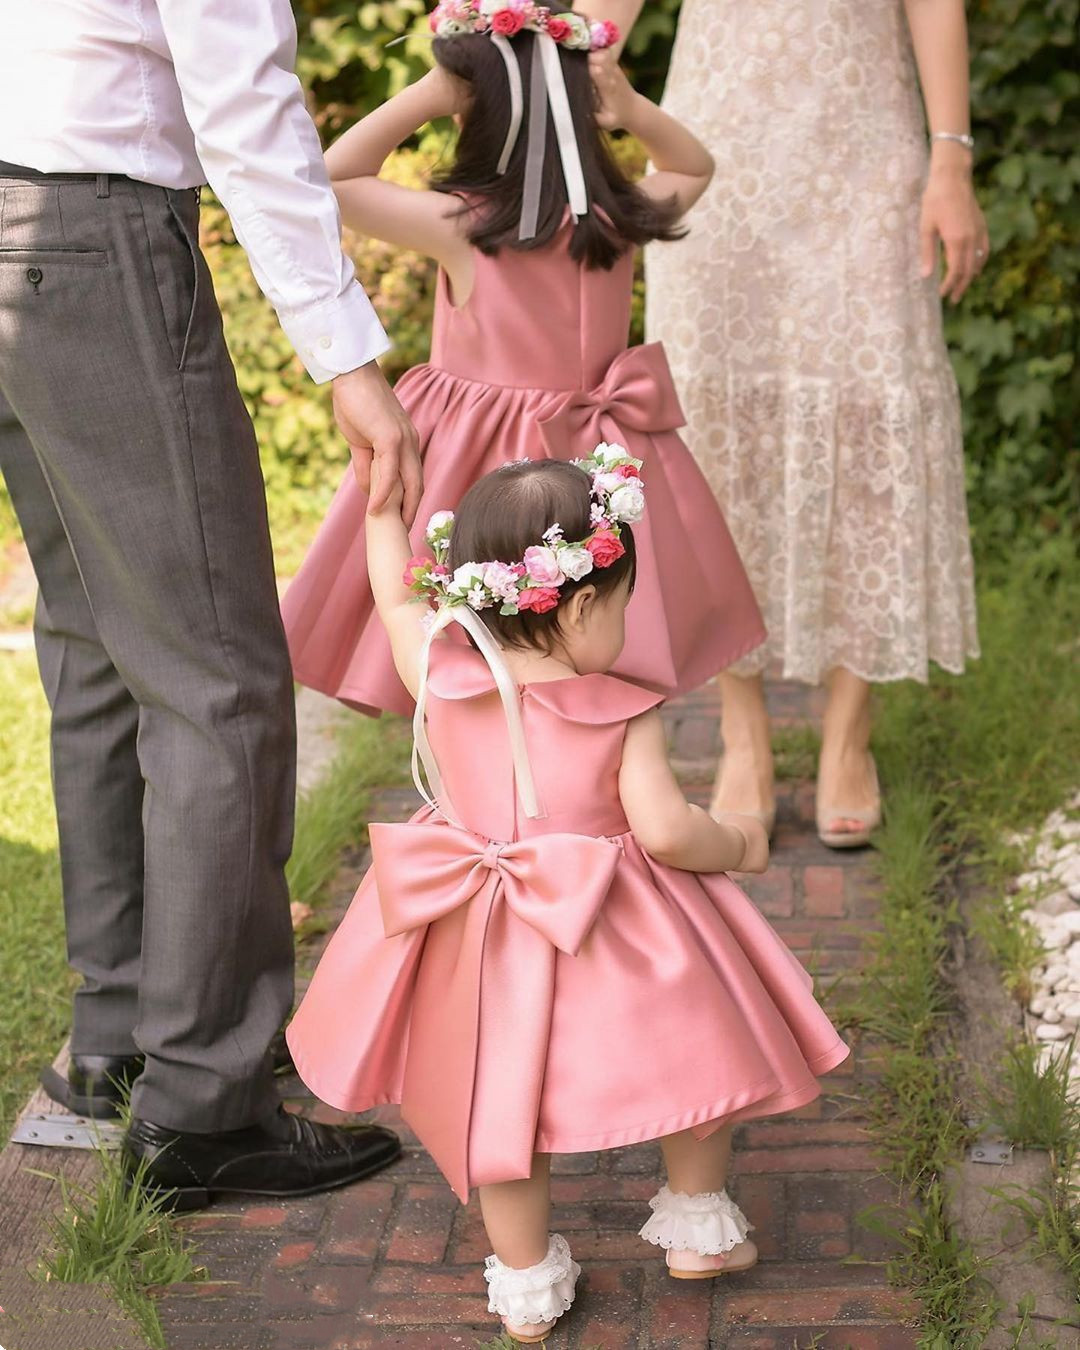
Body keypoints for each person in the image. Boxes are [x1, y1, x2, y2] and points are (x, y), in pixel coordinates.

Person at [0, 0, 419, 1203]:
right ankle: (205, 1102)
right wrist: (345, 356)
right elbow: (244, 103)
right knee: (217, 680)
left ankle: (121, 1040)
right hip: (92, 240)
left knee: (95, 647)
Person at [287, 451, 849, 1342]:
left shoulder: (438, 666)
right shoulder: (621, 707)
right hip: (610, 917)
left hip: (474, 924)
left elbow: (396, 599)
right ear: (582, 605)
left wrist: (380, 506)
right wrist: (735, 843)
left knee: (493, 1100)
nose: (625, 625)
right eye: (623, 606)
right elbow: (663, 831)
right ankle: (699, 1223)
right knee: (699, 1052)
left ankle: (523, 1284)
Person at [281, 0, 765, 716]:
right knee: (582, 618)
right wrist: (628, 105)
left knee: (478, 630)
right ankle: (584, 746)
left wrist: (431, 91)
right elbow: (694, 165)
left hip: (485, 468)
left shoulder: (462, 225)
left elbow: (338, 179)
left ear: (476, 113)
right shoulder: (616, 218)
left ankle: (488, 770)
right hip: (594, 455)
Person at [581, 0, 986, 845]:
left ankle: (849, 734)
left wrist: (952, 160)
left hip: (866, 148)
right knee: (717, 443)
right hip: (717, 151)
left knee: (870, 407)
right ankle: (744, 735)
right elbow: (598, 16)